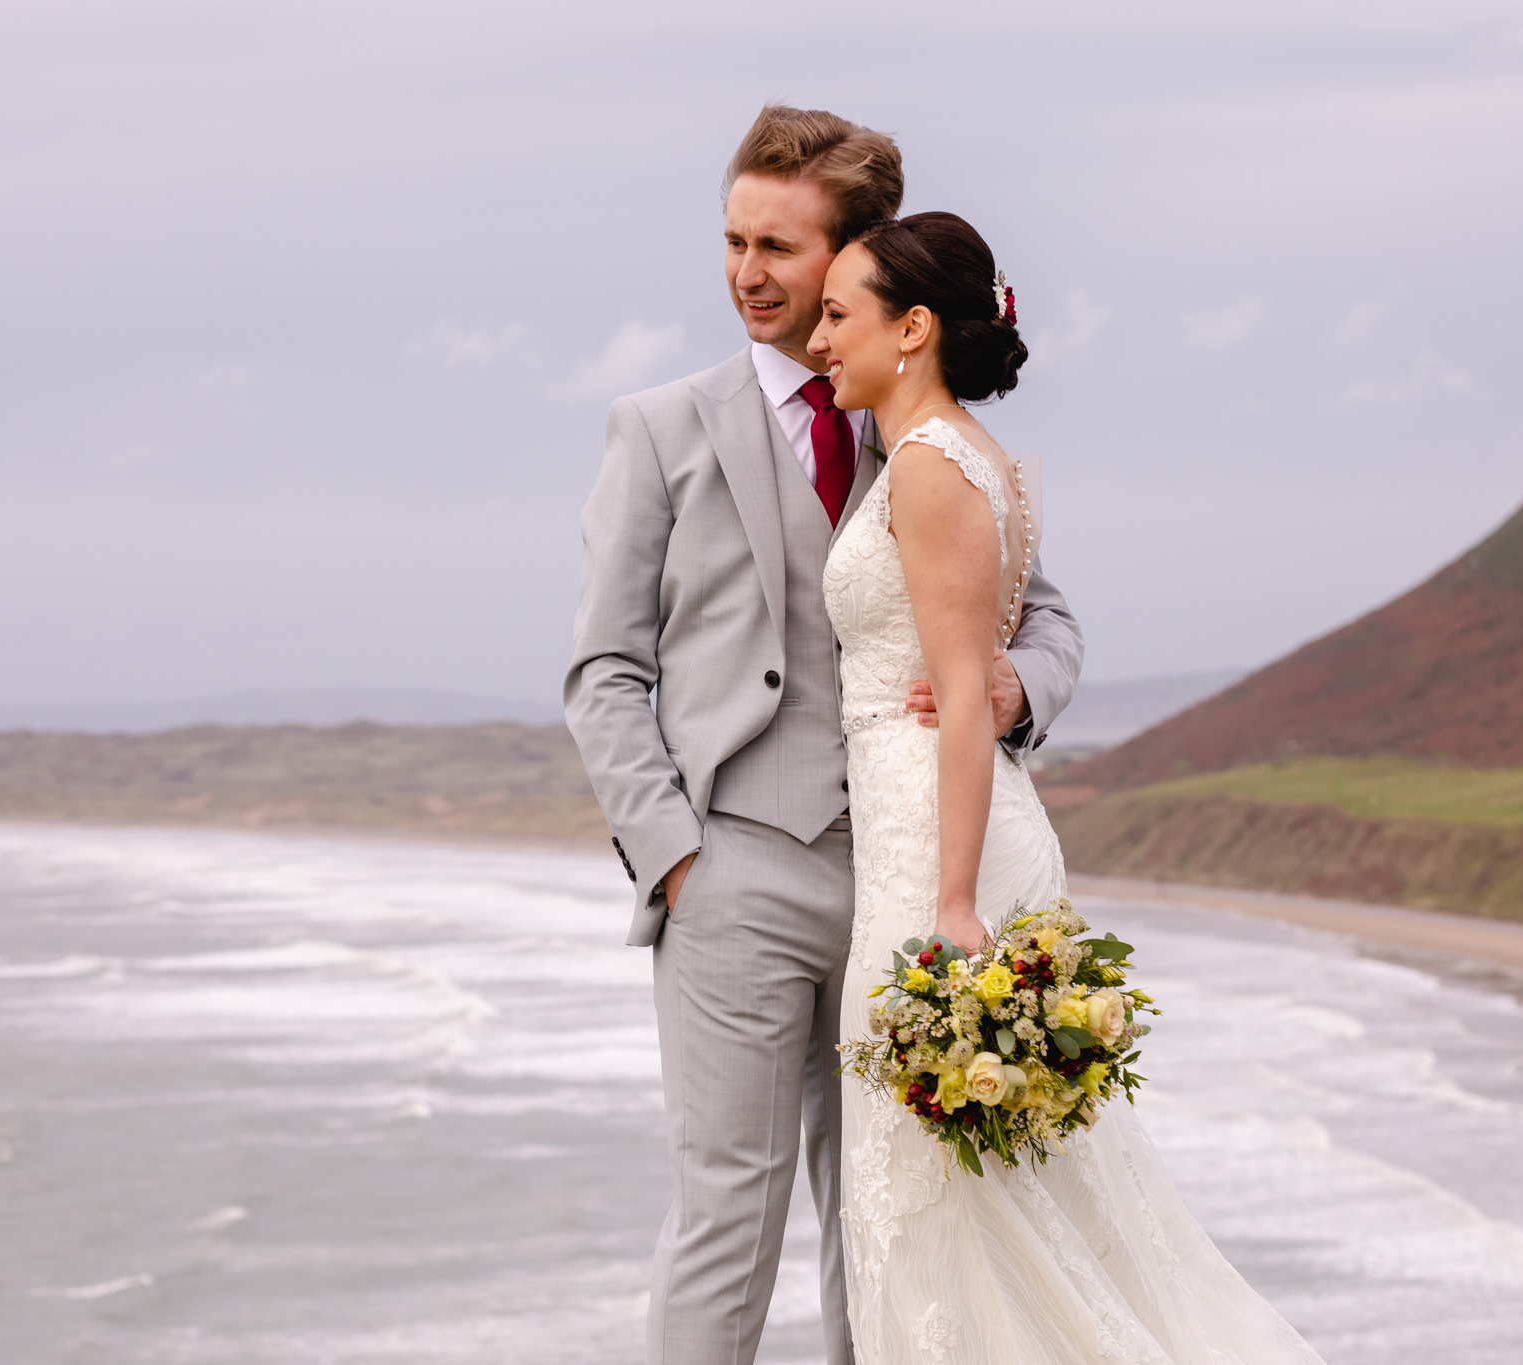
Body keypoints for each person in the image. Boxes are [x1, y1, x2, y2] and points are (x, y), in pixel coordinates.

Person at [563, 106, 1084, 1365]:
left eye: (780, 249)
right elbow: (602, 668)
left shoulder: (919, 424)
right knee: (722, 1220)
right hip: (732, 872)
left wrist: (1017, 691)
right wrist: (677, 859)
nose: (747, 273)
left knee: (889, 1226)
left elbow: (1046, 614)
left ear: (855, 256)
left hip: (895, 877)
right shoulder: (661, 428)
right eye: (733, 241)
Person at [810, 212, 1328, 1363]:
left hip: (937, 855)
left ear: (912, 329)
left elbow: (953, 700)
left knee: (937, 1195)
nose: (817, 337)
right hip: (945, 830)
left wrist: (948, 910)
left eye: (839, 315)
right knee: (992, 1197)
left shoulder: (933, 472)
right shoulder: (966, 459)